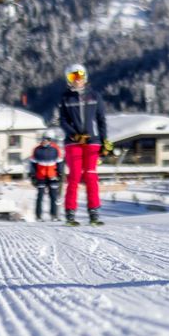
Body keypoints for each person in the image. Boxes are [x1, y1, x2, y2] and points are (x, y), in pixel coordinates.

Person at [56, 63, 112, 226]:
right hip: (73, 143)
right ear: (68, 79)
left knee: (91, 176)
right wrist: (74, 135)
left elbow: (101, 119)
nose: (77, 80)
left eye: (79, 75)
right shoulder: (66, 98)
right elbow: (63, 121)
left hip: (92, 141)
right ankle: (70, 214)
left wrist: (104, 141)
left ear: (85, 76)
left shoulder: (95, 96)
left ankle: (93, 213)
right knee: (74, 176)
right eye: (73, 76)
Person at [27, 130, 64, 222]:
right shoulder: (37, 150)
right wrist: (32, 175)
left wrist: (60, 174)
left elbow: (59, 162)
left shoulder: (56, 149)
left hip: (52, 176)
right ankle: (38, 216)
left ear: (50, 140)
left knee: (53, 196)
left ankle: (54, 215)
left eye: (47, 139)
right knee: (40, 196)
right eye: (43, 139)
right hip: (41, 176)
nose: (44, 141)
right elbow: (33, 164)